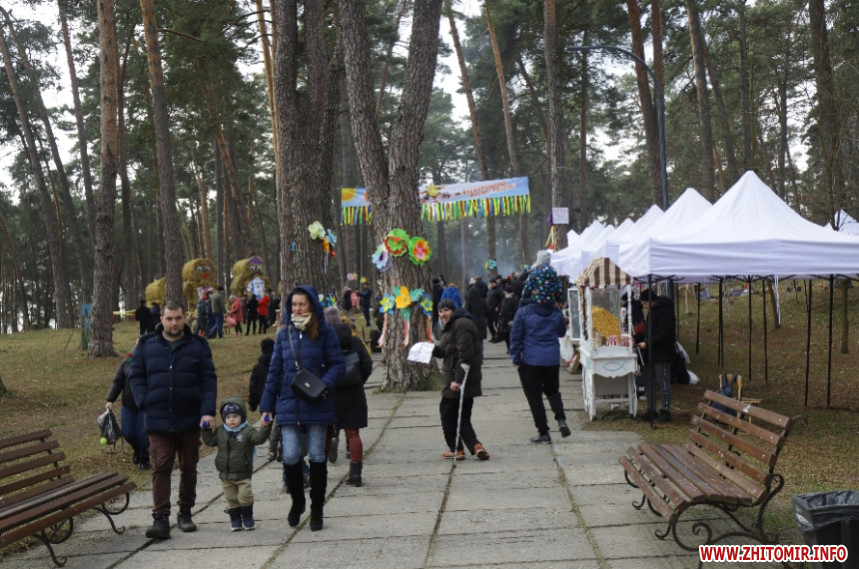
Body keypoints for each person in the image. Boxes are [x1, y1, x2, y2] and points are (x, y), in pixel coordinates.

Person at [129, 301, 217, 540]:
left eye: (178, 318)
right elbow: (135, 375)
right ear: (162, 320)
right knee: (161, 465)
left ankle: (185, 512)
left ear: (185, 317)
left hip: (189, 416)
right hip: (157, 416)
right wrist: (144, 400)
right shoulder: (146, 345)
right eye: (169, 319)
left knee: (189, 466)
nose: (174, 323)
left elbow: (208, 380)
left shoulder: (198, 345)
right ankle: (160, 518)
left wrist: (207, 411)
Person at [260, 285, 345, 532]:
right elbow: (274, 371)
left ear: (311, 305)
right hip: (288, 402)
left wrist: (323, 385)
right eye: (294, 304)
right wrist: (267, 406)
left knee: (317, 455)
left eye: (302, 304)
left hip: (317, 401)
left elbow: (338, 365)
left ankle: (317, 509)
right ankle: (297, 501)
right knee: (290, 455)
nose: (297, 308)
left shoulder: (325, 331)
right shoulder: (284, 334)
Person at [509, 261, 570, 444]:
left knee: (534, 397)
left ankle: (544, 432)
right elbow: (561, 333)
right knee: (553, 391)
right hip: (551, 359)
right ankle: (561, 418)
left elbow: (515, 337)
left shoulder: (524, 312)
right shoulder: (556, 313)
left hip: (531, 360)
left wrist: (516, 358)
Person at [432, 299, 490, 461]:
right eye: (440, 311)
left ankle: (457, 449)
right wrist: (432, 349)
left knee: (447, 413)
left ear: (453, 310)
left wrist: (457, 380)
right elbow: (446, 351)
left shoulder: (461, 324)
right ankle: (476, 446)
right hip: (460, 377)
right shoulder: (451, 325)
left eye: (446, 310)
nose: (443, 314)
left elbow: (465, 355)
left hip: (460, 378)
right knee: (462, 416)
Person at [201, 396, 271, 531]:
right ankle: (235, 519)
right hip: (225, 474)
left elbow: (259, 439)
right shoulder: (221, 431)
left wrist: (265, 427)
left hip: (243, 473)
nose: (231, 420)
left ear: (242, 416)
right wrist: (206, 430)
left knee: (245, 497)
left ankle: (248, 517)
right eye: (228, 417)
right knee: (231, 498)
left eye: (235, 416)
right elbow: (210, 441)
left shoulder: (247, 431)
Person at [323, 307, 373, 486]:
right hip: (354, 392)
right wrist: (359, 380)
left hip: (331, 394)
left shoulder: (324, 342)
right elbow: (367, 364)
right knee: (353, 434)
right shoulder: (355, 341)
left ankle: (321, 472)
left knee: (327, 433)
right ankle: (356, 474)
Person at [635, 289, 677, 422]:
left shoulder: (665, 311)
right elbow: (649, 331)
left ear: (650, 301)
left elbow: (665, 333)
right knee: (647, 379)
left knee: (662, 380)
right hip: (651, 353)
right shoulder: (652, 311)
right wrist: (636, 338)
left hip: (663, 353)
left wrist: (647, 343)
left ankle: (665, 410)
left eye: (644, 303)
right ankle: (651, 409)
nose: (643, 306)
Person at [105, 350, 150, 470]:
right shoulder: (126, 363)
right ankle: (137, 449)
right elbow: (117, 382)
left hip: (146, 406)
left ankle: (144, 458)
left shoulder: (154, 363)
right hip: (128, 405)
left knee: (143, 434)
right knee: (128, 433)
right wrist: (110, 400)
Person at [496, 285, 520, 351]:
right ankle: (508, 347)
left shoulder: (514, 299)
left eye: (505, 291)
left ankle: (511, 347)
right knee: (506, 334)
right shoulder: (505, 298)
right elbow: (502, 305)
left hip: (510, 319)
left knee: (510, 334)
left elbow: (516, 309)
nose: (504, 292)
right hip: (504, 319)